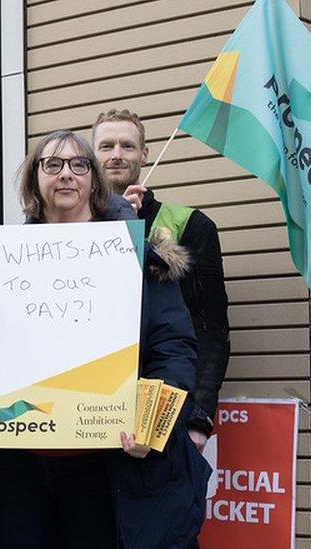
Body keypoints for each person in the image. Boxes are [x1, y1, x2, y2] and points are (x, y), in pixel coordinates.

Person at [0, 130, 210, 548]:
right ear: (33, 180)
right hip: (18, 464)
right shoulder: (4, 261)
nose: (66, 175)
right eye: (52, 164)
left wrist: (151, 425)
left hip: (104, 464)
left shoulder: (136, 258)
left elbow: (174, 349)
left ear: (94, 181)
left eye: (79, 165)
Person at [93, 108, 230, 451]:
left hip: (163, 413)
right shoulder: (67, 229)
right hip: (86, 411)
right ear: (91, 157)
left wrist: (199, 417)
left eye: (127, 145)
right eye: (106, 146)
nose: (116, 155)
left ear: (144, 154)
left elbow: (211, 329)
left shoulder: (190, 225)